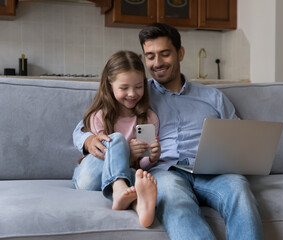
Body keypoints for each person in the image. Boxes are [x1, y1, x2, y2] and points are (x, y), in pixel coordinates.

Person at [73, 23, 263, 239]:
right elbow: (86, 125)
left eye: (164, 54)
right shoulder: (137, 91)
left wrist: (242, 155)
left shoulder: (212, 97)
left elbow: (241, 135)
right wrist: (88, 141)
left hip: (213, 171)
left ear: (180, 53)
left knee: (239, 189)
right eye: (150, 56)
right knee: (174, 200)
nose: (157, 63)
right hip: (164, 170)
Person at [72, 50, 161, 228]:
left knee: (138, 179)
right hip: (89, 176)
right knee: (117, 139)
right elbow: (101, 156)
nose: (132, 93)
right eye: (124, 88)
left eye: (138, 86)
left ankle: (138, 205)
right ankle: (120, 188)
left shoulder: (149, 119)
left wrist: (151, 157)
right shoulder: (99, 116)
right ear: (110, 86)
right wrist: (128, 155)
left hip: (122, 177)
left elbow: (142, 168)